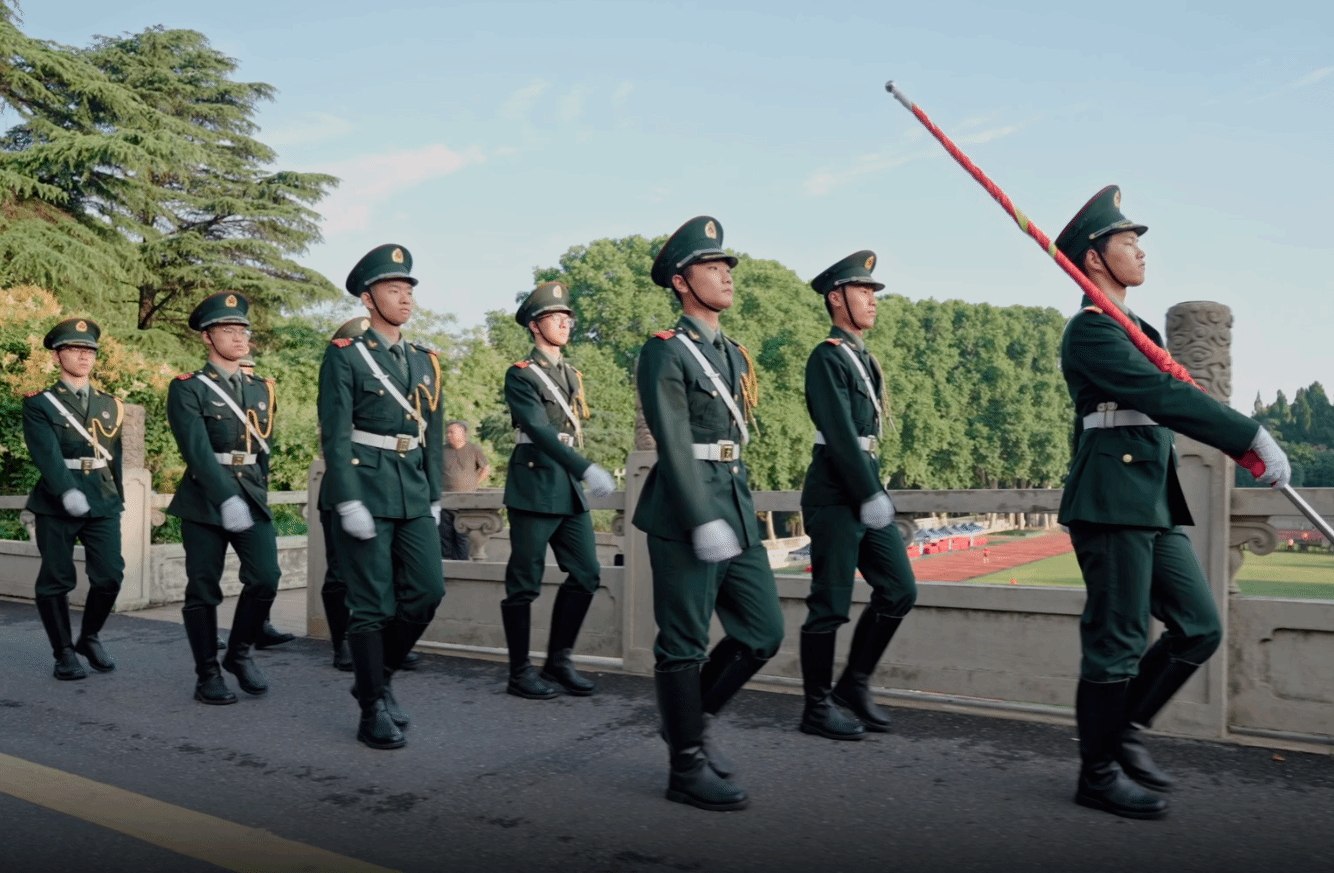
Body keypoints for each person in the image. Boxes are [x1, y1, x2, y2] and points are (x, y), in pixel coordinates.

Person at [1054, 185, 1291, 819]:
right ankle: (1097, 775)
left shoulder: (1140, 330)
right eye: (1127, 241)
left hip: (1152, 501)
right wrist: (1249, 436)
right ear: (1094, 258)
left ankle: (1124, 728)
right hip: (1110, 500)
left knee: (1200, 627)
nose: (1141, 251)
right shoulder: (1091, 331)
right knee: (1118, 639)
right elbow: (1162, 397)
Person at [634, 215, 784, 812]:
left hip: (736, 504)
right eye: (711, 267)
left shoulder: (733, 353)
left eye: (726, 266)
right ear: (680, 282)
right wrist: (701, 517)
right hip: (684, 510)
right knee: (683, 644)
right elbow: (672, 441)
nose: (725, 275)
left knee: (762, 633)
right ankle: (686, 767)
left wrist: (728, 512)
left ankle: (687, 721)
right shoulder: (665, 351)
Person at [318, 243, 445, 750]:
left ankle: (378, 676)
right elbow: (335, 433)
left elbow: (433, 433)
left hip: (412, 488)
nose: (406, 298)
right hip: (365, 484)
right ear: (368, 299)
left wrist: (434, 494)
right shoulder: (346, 354)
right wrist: (347, 498)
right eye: (394, 289)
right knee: (372, 604)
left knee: (427, 592)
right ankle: (371, 708)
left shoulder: (425, 360)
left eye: (409, 289)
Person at [797, 251, 917, 742]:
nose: (872, 300)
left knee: (900, 589)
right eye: (863, 291)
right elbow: (840, 433)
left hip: (866, 486)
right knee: (829, 603)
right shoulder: (827, 356)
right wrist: (870, 493)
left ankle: (854, 683)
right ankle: (816, 707)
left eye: (873, 292)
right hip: (835, 494)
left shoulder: (863, 357)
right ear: (836, 298)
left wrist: (873, 490)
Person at [499, 281, 616, 699]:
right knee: (524, 581)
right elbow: (539, 429)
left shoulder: (570, 374)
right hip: (534, 483)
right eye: (555, 317)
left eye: (568, 318)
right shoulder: (521, 374)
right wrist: (585, 468)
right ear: (535, 325)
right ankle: (519, 672)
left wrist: (579, 470)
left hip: (565, 485)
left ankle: (558, 661)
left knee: (586, 573)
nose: (565, 323)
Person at [168, 292, 281, 706]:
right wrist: (225, 497)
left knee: (266, 577)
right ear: (207, 337)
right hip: (203, 500)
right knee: (203, 587)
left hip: (250, 494)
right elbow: (196, 450)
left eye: (243, 330)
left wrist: (255, 491)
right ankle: (207, 674)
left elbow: (263, 448)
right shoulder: (188, 388)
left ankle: (239, 653)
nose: (239, 337)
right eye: (228, 330)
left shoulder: (262, 389)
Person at [22, 318, 125, 680]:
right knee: (56, 578)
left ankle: (89, 637)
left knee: (110, 575)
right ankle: (64, 652)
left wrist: (119, 498)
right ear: (57, 356)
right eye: (75, 349)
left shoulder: (111, 404)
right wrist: (67, 490)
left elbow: (115, 457)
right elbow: (45, 453)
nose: (84, 356)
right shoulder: (41, 403)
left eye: (90, 350)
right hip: (56, 502)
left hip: (103, 500)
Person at [234, 350, 298, 652]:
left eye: (251, 372)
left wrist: (262, 481)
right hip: (214, 486)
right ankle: (210, 631)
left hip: (252, 487)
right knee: (206, 573)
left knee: (265, 570)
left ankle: (260, 625)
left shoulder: (263, 396)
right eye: (242, 371)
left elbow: (265, 444)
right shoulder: (208, 392)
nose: (247, 378)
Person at [441, 420, 488, 561]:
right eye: (447, 432)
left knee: (463, 535)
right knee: (445, 534)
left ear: (463, 433)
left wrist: (474, 484)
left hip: (466, 502)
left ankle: (462, 564)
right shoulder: (442, 450)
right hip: (446, 500)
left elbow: (485, 469)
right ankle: (447, 564)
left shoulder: (474, 449)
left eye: (452, 432)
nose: (448, 435)